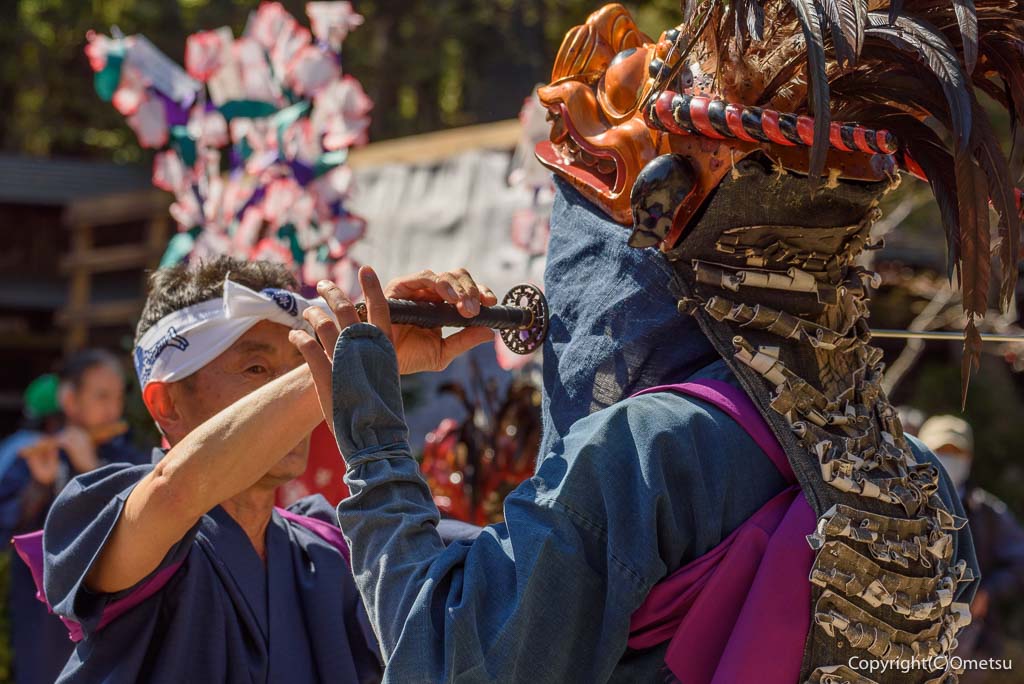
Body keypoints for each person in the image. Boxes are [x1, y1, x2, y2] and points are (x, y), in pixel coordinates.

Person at [288, 1, 1013, 680]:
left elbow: (446, 659)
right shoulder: (915, 474)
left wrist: (374, 442)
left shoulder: (641, 451)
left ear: (655, 225)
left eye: (575, 217)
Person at [31, 258, 492, 683]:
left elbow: (501, 580)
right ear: (165, 402)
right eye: (256, 368)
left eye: (301, 366)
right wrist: (353, 359)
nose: (297, 388)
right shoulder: (104, 514)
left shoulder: (332, 543)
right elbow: (175, 489)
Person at [1, 352, 147, 684]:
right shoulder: (37, 452)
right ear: (70, 399)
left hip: (108, 604)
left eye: (116, 396)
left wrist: (90, 466)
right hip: (44, 611)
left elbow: (138, 517)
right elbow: (7, 526)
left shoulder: (128, 456)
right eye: (101, 396)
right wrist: (39, 484)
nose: (113, 408)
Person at [920, 415, 1024, 680]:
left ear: (969, 458)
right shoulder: (899, 508)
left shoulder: (987, 513)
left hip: (970, 645)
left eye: (956, 452)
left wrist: (988, 592)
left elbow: (1019, 558)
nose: (948, 459)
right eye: (940, 451)